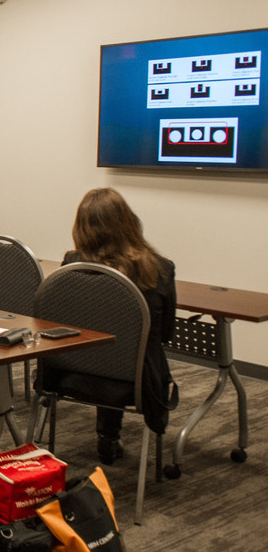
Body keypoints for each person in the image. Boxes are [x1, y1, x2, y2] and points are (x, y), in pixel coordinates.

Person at [45, 187, 178, 465]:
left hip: (72, 373)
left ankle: (108, 437)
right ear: (128, 221)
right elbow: (165, 334)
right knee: (122, 350)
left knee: (106, 347)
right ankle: (108, 438)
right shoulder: (160, 268)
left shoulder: (72, 264)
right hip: (136, 381)